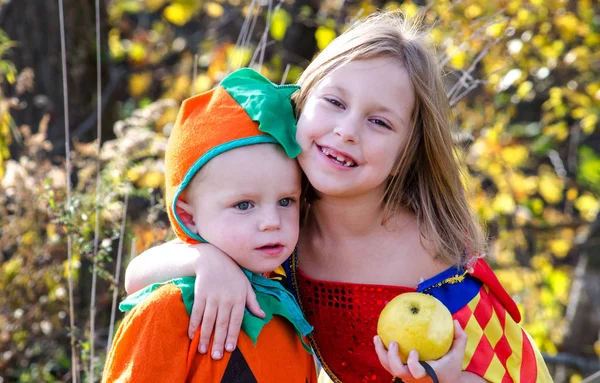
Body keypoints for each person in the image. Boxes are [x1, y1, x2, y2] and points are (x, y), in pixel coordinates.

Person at [124, 11, 553, 383]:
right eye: (333, 101)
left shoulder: (433, 259)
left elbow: (503, 372)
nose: (347, 130)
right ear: (304, 98)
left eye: (380, 122)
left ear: (410, 147)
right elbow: (137, 276)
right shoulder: (283, 214)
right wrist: (205, 260)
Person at [102, 68, 317, 382]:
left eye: (286, 201)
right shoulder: (171, 308)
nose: (272, 222)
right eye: (244, 205)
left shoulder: (288, 293)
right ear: (188, 217)